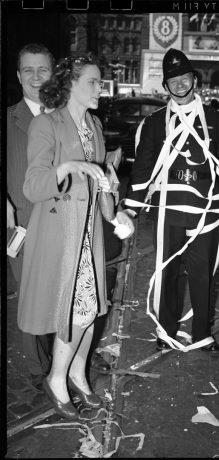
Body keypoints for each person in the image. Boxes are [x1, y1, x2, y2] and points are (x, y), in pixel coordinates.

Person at [18, 54, 134, 418]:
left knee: (92, 308)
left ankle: (78, 375)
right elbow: (33, 187)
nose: (100, 88)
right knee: (78, 312)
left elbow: (102, 179)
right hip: (60, 233)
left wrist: (116, 207)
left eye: (100, 82)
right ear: (70, 84)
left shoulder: (95, 125)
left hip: (90, 234)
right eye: (93, 82)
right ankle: (58, 378)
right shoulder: (46, 125)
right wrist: (68, 167)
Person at [120, 48, 219, 353]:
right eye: (172, 80)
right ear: (165, 86)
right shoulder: (155, 122)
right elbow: (142, 168)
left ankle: (201, 332)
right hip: (168, 211)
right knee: (167, 272)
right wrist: (131, 207)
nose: (179, 84)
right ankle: (166, 330)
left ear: (194, 79)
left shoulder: (214, 118)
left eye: (184, 77)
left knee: (202, 273)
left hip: (205, 212)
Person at [7, 43, 56, 392]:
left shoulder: (68, 117)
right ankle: (41, 369)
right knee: (30, 298)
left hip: (63, 224)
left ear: (53, 74)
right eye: (28, 70)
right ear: (18, 75)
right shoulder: (8, 120)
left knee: (60, 297)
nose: (36, 77)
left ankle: (61, 359)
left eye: (43, 70)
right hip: (22, 224)